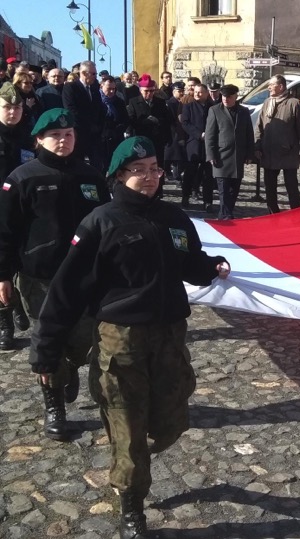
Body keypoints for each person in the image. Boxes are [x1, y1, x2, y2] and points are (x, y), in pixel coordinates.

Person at [29, 136, 230, 539]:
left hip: (170, 337)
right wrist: (45, 352)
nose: (151, 176)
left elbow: (189, 262)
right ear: (119, 175)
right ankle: (131, 505)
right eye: (140, 171)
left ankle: (134, 457)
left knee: (171, 422)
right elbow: (66, 293)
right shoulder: (101, 222)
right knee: (129, 428)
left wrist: (212, 267)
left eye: (155, 168)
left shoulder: (175, 218)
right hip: (121, 342)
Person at [0, 108, 110, 440]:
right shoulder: (21, 179)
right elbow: (5, 231)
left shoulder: (90, 176)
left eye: (69, 135)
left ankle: (68, 368)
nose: (63, 141)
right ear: (39, 140)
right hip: (39, 276)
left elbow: (107, 224)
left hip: (83, 276)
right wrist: (3, 275)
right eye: (55, 136)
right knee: (48, 340)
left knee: (82, 338)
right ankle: (55, 406)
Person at [0, 83, 34, 350]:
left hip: (24, 209)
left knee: (19, 264)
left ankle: (18, 301)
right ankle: (5, 325)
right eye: (7, 107)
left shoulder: (28, 136)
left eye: (17, 107)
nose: (12, 112)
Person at [254, 74, 300, 213]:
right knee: (270, 187)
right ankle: (273, 213)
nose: (269, 87)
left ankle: (296, 214)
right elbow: (259, 126)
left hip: (288, 153)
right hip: (269, 153)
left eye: (271, 85)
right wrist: (257, 145)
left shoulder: (293, 103)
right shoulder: (267, 102)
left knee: (291, 187)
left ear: (280, 86)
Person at [205, 84, 254, 220]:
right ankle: (226, 216)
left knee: (234, 189)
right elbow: (210, 135)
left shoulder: (243, 111)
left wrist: (250, 154)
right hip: (221, 157)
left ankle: (227, 213)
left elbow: (249, 133)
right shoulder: (214, 110)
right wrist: (210, 154)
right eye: (224, 96)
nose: (225, 99)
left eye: (229, 97)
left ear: (235, 97)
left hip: (238, 156)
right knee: (223, 189)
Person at [126, 74, 172, 196]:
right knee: (141, 164)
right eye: (146, 91)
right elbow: (130, 120)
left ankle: (158, 190)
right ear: (141, 91)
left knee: (157, 165)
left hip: (157, 139)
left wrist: (158, 122)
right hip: (141, 139)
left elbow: (168, 120)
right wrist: (145, 121)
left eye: (151, 91)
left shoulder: (160, 102)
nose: (149, 94)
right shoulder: (134, 102)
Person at [62, 60, 105, 169]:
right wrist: (88, 125)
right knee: (77, 165)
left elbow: (99, 109)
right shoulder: (71, 87)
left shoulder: (95, 89)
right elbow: (71, 110)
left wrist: (98, 126)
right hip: (79, 133)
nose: (96, 76)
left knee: (97, 166)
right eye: (94, 74)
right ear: (84, 73)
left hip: (95, 135)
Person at [181, 83, 213, 211]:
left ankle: (208, 201)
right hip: (194, 143)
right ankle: (186, 196)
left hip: (208, 145)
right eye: (195, 92)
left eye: (200, 92)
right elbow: (185, 123)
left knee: (208, 174)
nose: (197, 94)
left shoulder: (212, 107)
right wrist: (199, 134)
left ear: (206, 93)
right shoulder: (188, 107)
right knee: (190, 172)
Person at [99, 76, 130, 177]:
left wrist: (118, 129)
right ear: (101, 86)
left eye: (114, 89)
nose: (112, 91)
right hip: (100, 138)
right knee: (101, 166)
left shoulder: (119, 101)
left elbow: (125, 119)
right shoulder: (96, 100)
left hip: (116, 137)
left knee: (115, 165)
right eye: (109, 89)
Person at [164, 81, 187, 187]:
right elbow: (171, 120)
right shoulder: (170, 103)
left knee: (181, 157)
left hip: (183, 132)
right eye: (179, 91)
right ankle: (176, 177)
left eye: (183, 91)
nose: (182, 93)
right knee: (176, 157)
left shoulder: (184, 102)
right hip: (173, 133)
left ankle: (177, 175)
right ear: (174, 92)